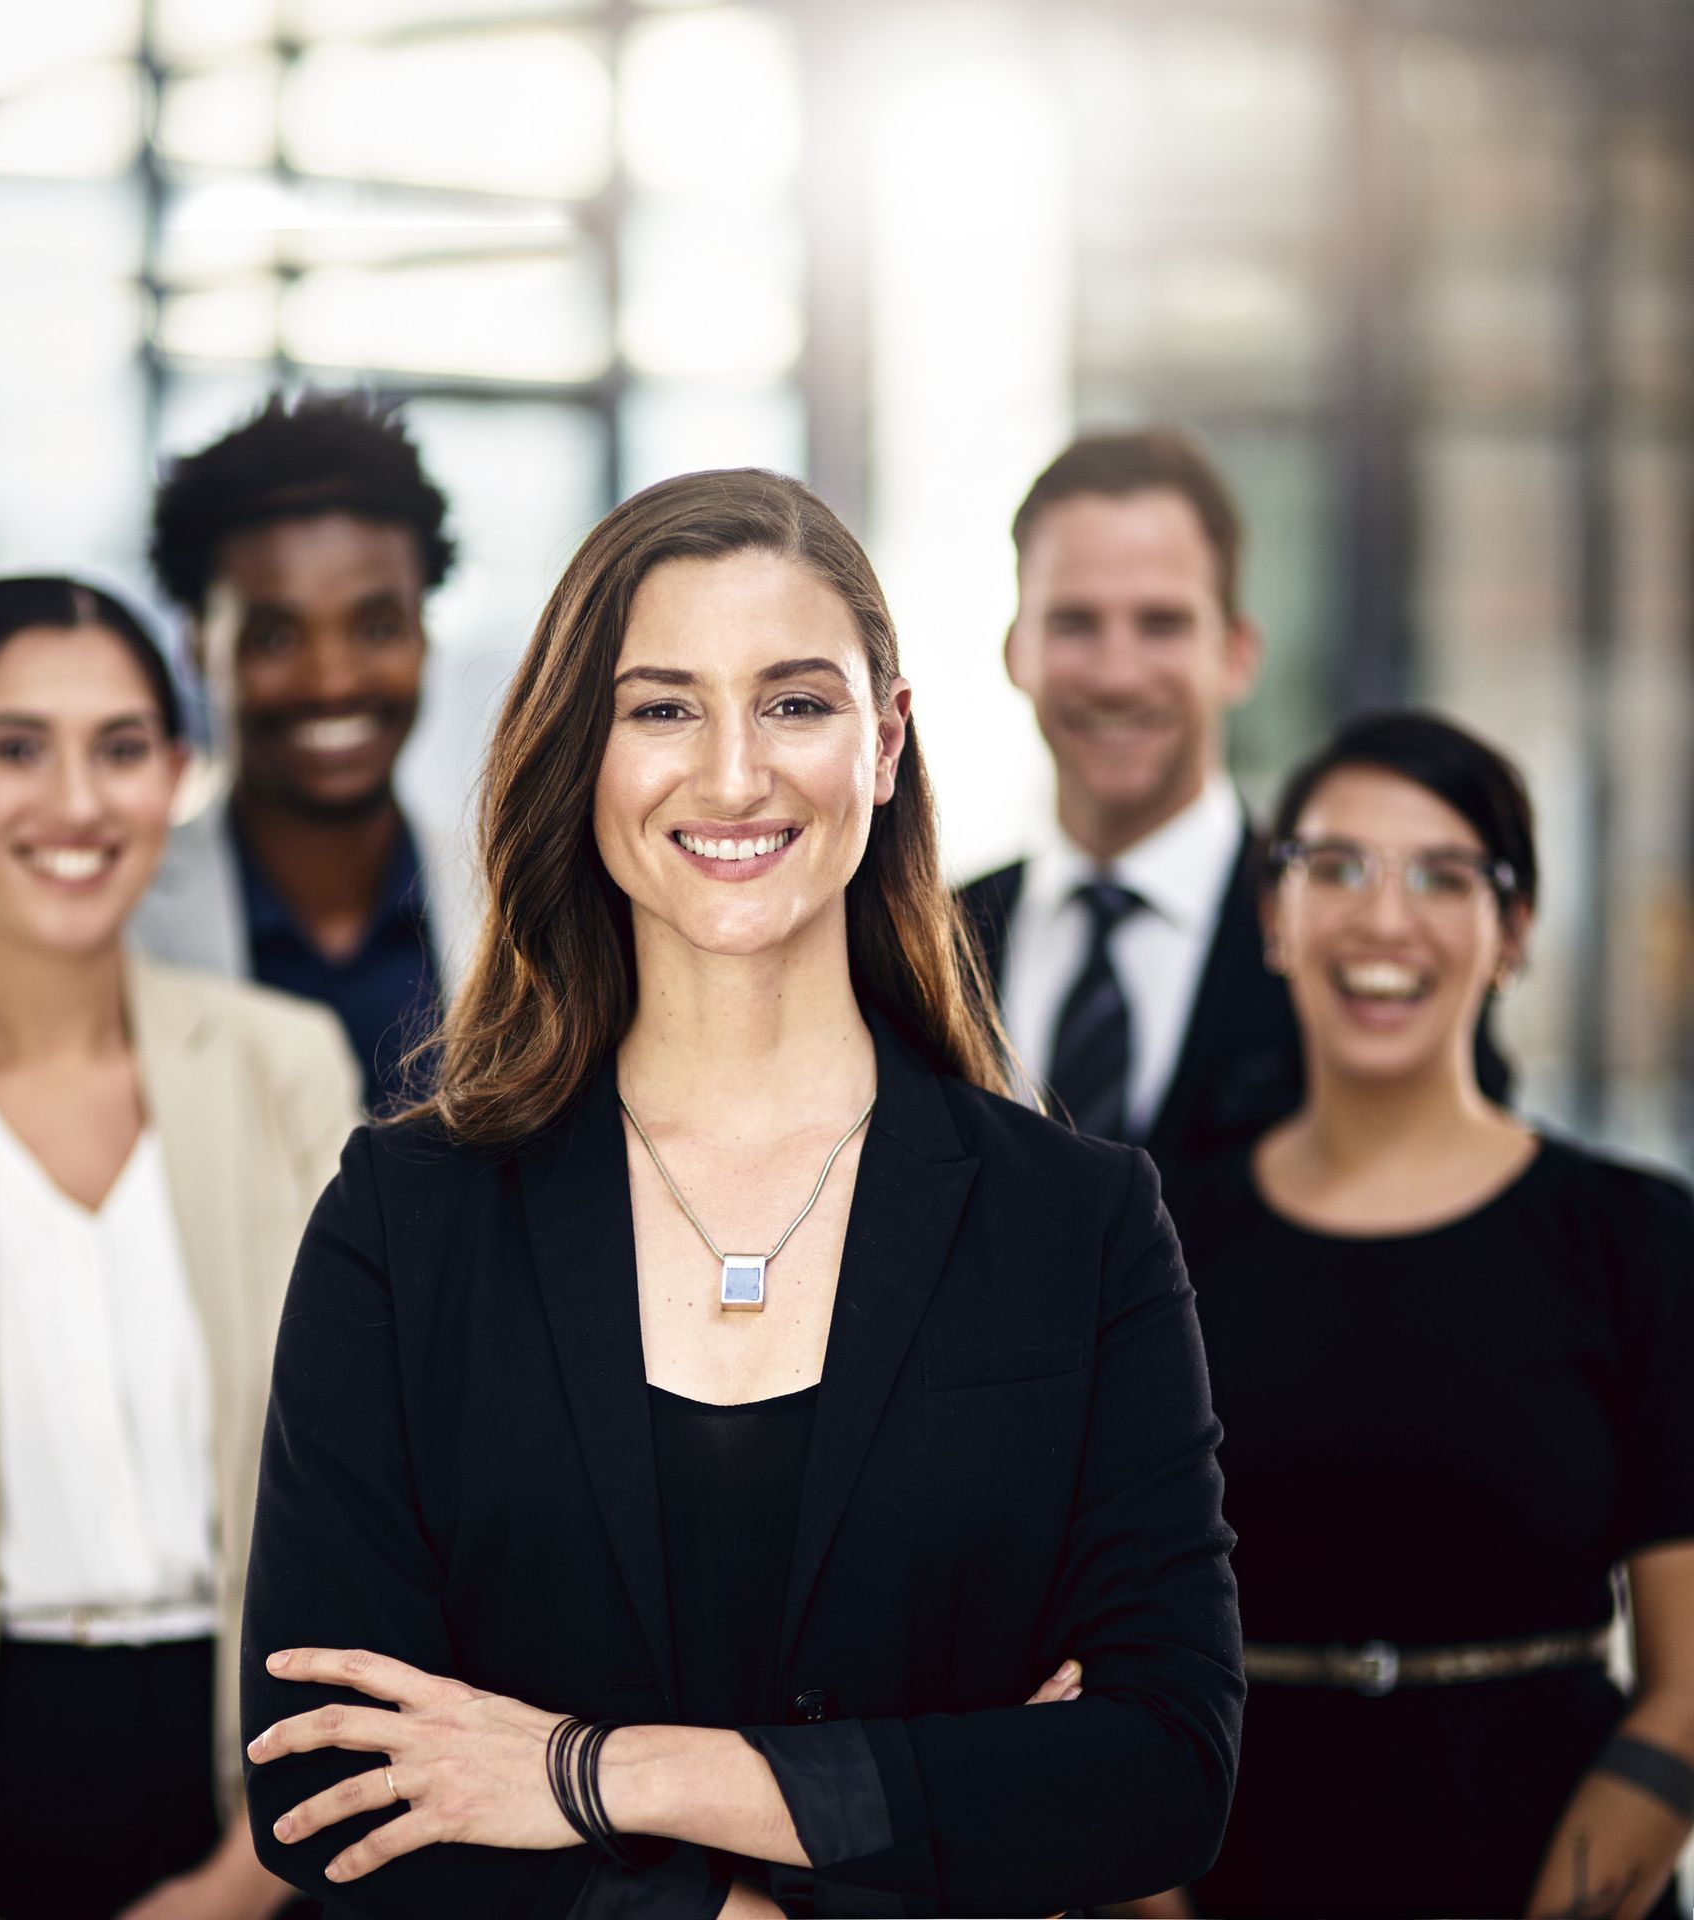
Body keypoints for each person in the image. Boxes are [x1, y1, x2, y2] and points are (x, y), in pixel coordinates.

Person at [236, 469, 1244, 1919]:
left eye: (795, 703)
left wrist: (591, 1774)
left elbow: (1161, 1772)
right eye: (662, 709)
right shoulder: (409, 1218)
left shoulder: (1075, 1225)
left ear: (885, 740)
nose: (731, 776)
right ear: (584, 754)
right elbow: (322, 1783)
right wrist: (841, 1852)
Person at [0, 578, 358, 1920]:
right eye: (16, 746)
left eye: (123, 746)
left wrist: (237, 1884)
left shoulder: (286, 1068)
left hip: (255, 1795)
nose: (78, 803)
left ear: (180, 775)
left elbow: (375, 1509)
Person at [1158, 711, 1694, 1919]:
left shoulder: (1633, 1238)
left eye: (1445, 876)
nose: (1384, 919)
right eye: (1335, 866)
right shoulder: (1149, 1243)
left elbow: (1690, 1687)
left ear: (1513, 934)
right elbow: (1085, 1661)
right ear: (1275, 920)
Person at [960, 428, 1508, 1183]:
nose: (1118, 674)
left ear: (1239, 653)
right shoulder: (923, 944)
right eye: (1075, 623)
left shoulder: (1363, 946)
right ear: (1015, 651)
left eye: (1162, 625)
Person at [135, 391, 476, 1110]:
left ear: (424, 632)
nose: (332, 681)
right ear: (199, 647)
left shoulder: (527, 903)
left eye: (378, 627)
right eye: (275, 639)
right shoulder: (123, 918)